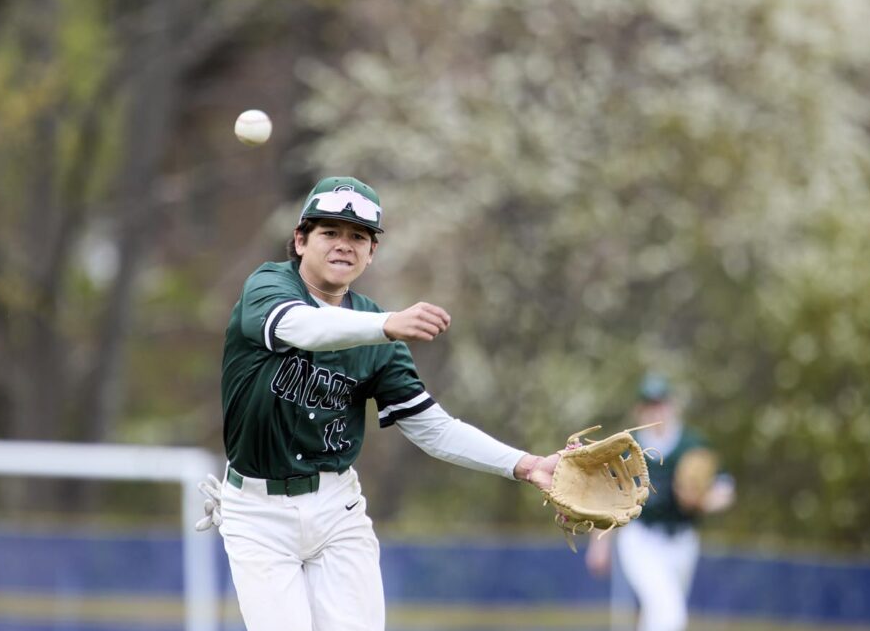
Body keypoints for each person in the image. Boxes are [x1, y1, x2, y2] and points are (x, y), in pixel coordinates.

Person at [204, 176, 562, 631]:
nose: (344, 244)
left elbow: (433, 428)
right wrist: (386, 325)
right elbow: (301, 327)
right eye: (329, 232)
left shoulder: (379, 332)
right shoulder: (269, 286)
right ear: (300, 240)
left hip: (336, 509)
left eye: (358, 237)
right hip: (257, 512)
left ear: (372, 252)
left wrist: (526, 465)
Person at [585, 373, 734, 631]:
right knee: (670, 614)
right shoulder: (627, 447)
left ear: (672, 405)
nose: (656, 411)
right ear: (639, 409)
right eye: (649, 404)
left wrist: (704, 501)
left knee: (657, 614)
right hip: (641, 538)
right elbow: (607, 495)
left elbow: (726, 489)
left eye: (660, 403)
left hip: (683, 540)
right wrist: (599, 544)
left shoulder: (692, 443)